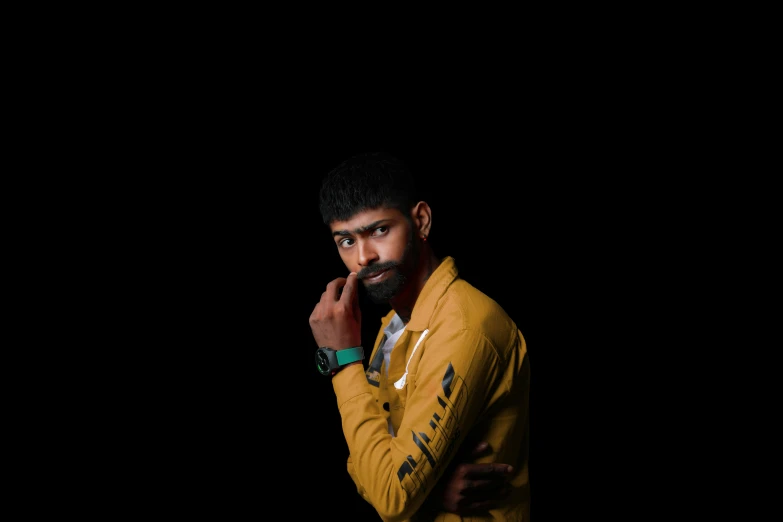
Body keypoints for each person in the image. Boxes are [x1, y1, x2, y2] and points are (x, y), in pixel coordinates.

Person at [309, 152, 531, 521]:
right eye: (346, 241)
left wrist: (343, 358)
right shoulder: (395, 326)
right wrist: (429, 491)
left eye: (379, 230)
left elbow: (390, 497)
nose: (363, 257)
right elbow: (365, 466)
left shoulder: (464, 327)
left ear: (421, 221)